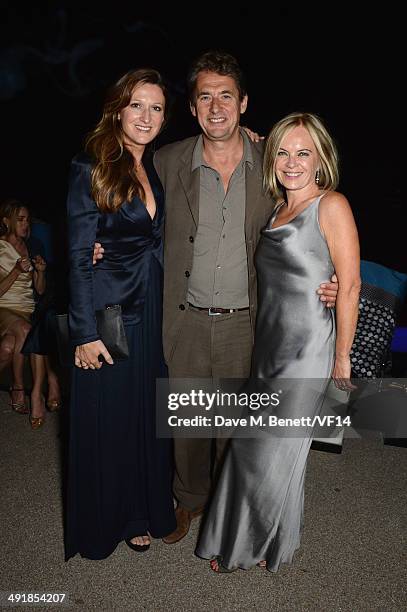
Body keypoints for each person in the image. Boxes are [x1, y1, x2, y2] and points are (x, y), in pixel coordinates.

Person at [153, 51, 339, 544]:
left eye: (226, 96)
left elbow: (311, 216)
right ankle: (188, 501)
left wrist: (334, 275)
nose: (216, 107)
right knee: (188, 420)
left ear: (244, 103)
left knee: (235, 424)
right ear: (192, 107)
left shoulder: (271, 167)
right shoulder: (166, 161)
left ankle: (224, 505)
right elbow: (134, 218)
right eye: (205, 97)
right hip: (186, 315)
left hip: (248, 319)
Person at [195, 111, 361, 572]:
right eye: (284, 152)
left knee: (260, 446)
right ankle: (274, 541)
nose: (292, 162)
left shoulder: (331, 206)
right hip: (269, 343)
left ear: (321, 159)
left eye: (304, 153)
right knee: (272, 445)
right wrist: (262, 137)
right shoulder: (276, 207)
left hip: (307, 348)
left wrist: (342, 358)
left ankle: (242, 545)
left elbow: (348, 286)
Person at [65, 68, 176, 560]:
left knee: (142, 415)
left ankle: (139, 512)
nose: (146, 116)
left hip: (150, 306)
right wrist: (83, 332)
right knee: (107, 420)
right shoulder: (90, 166)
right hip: (108, 311)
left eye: (156, 107)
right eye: (137, 105)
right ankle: (103, 521)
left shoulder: (151, 166)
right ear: (117, 108)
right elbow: (75, 254)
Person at [0, 199, 61, 429]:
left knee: (9, 346)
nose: (26, 224)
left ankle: (21, 389)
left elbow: (40, 290)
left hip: (27, 309)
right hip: (4, 308)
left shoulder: (34, 245)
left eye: (28, 220)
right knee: (28, 331)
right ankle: (28, 390)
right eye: (20, 219)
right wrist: (16, 270)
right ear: (7, 221)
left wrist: (41, 272)